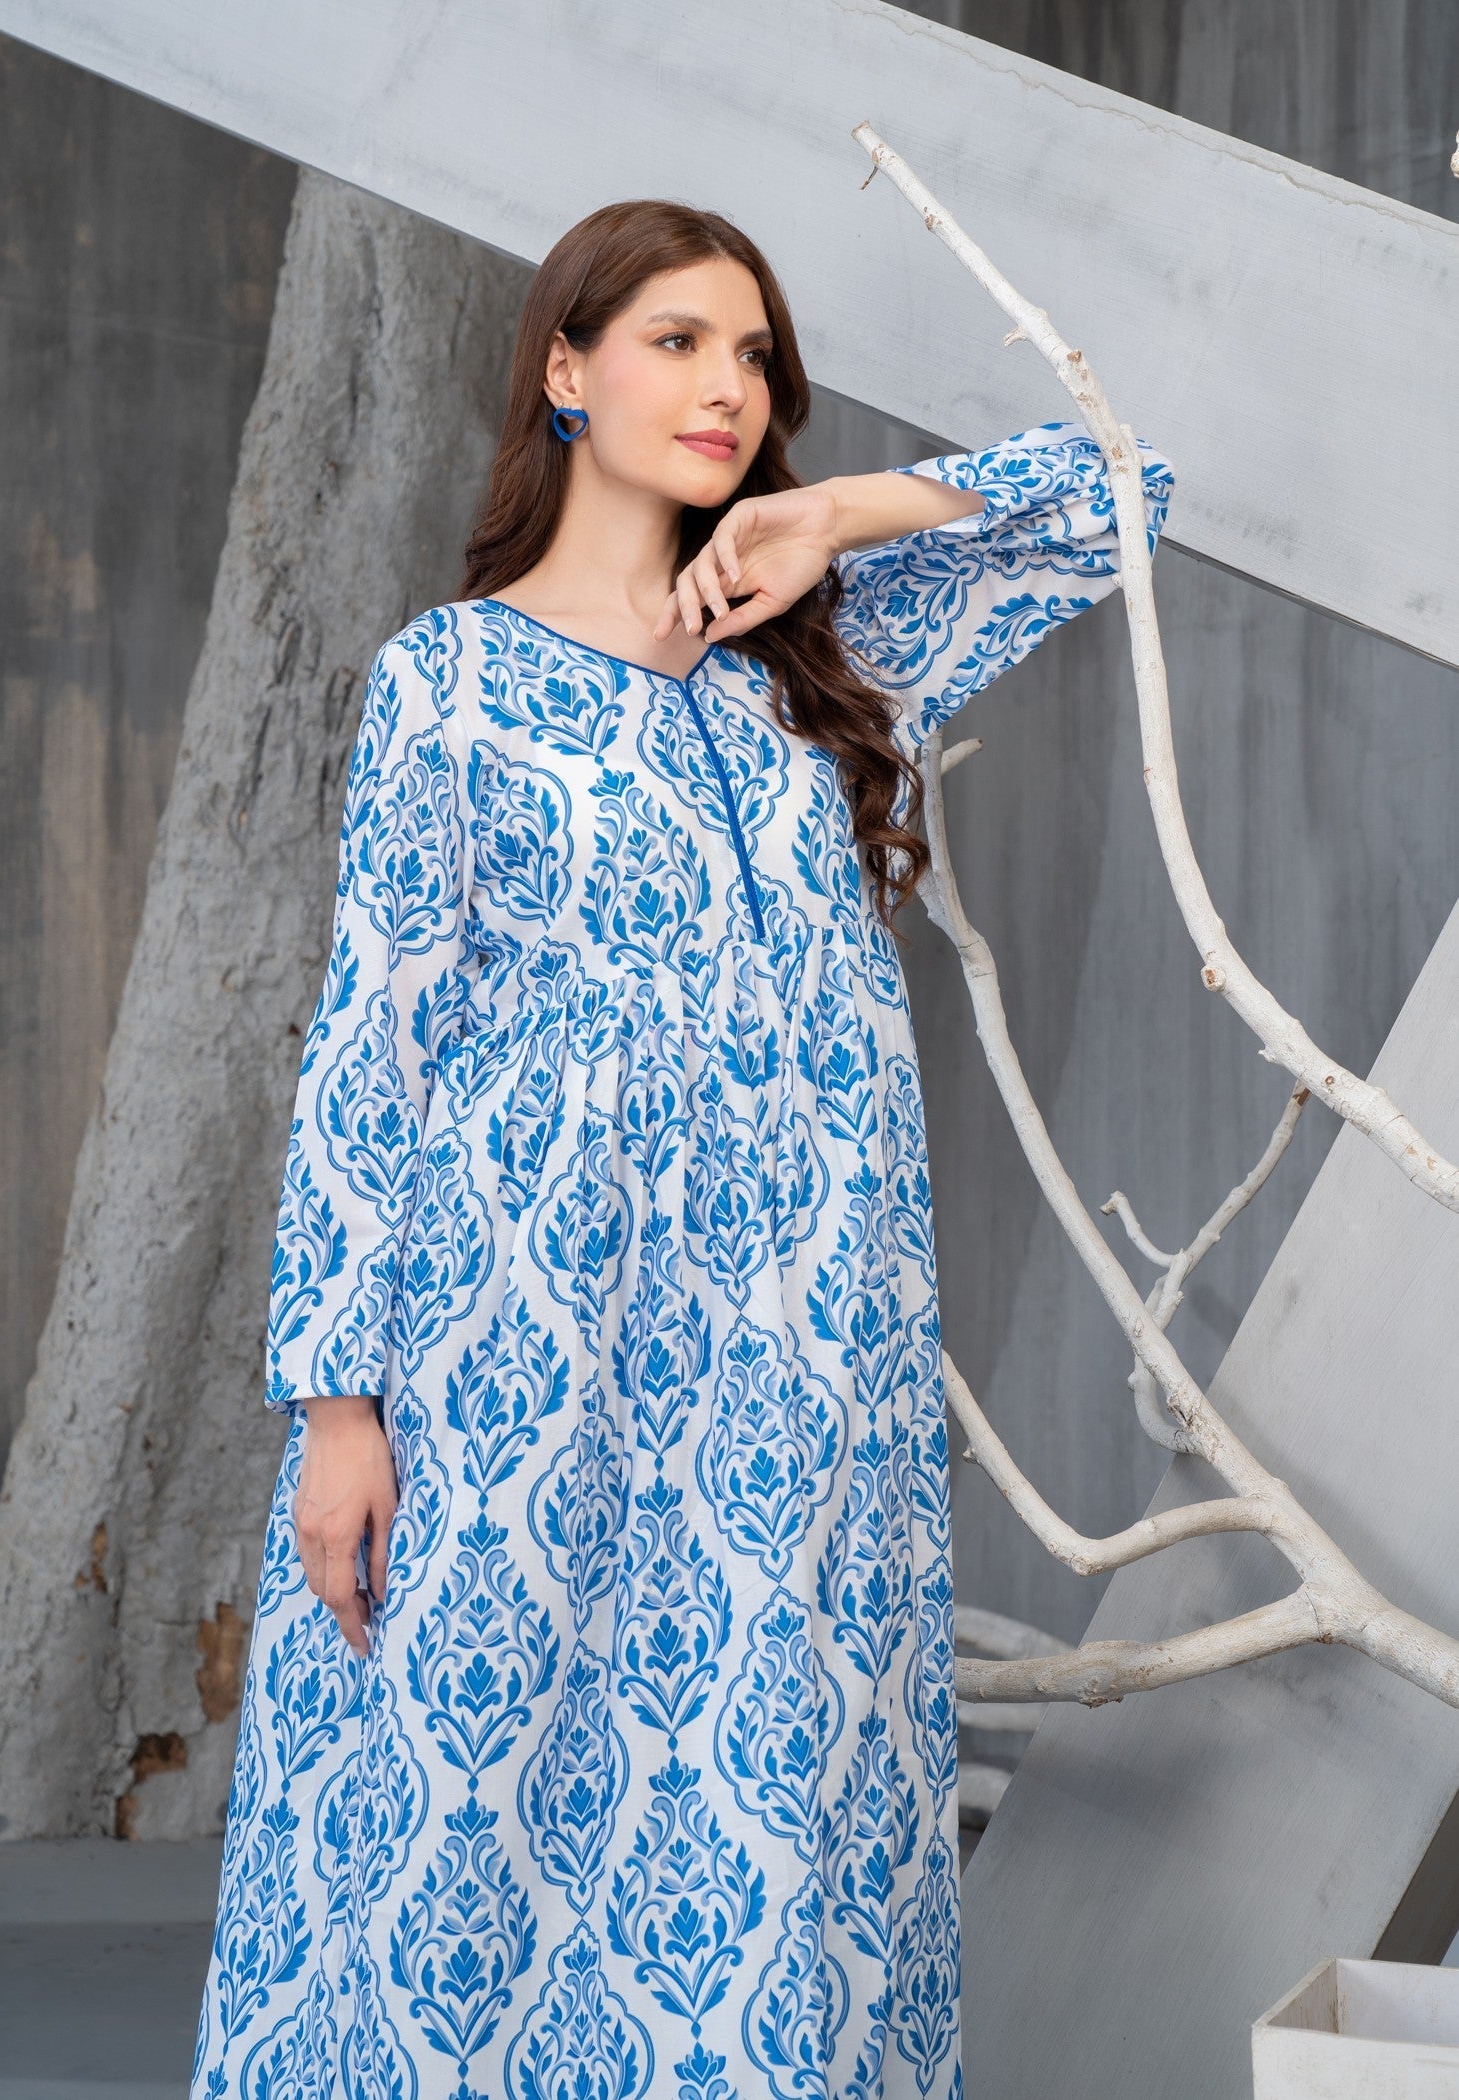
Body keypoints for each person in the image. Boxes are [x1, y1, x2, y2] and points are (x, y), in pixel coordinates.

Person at [191, 196, 1173, 2099]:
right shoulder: (447, 682)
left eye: (754, 358)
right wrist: (336, 1405)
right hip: (526, 1340)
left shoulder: (816, 648)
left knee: (771, 1793)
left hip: (803, 1348)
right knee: (485, 1795)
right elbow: (372, 1053)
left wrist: (834, 516)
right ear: (565, 370)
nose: (729, 387)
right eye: (677, 342)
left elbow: (1126, 491)